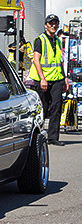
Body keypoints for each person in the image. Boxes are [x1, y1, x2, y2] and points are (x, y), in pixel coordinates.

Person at [29, 14, 69, 146]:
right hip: (43, 80)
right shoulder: (40, 40)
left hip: (57, 79)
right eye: (51, 23)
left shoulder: (57, 40)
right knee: (43, 108)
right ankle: (39, 135)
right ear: (46, 25)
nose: (54, 26)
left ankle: (53, 137)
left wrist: (64, 79)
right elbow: (36, 60)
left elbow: (59, 61)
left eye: (56, 23)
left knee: (56, 107)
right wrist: (42, 79)